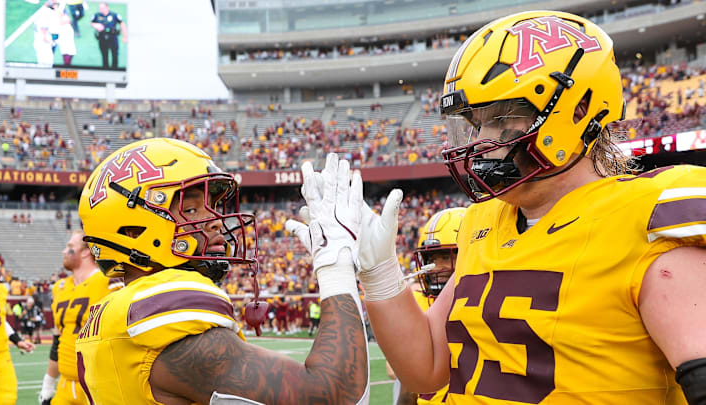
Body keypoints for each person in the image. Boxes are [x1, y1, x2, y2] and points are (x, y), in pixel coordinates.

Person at [335, 10, 705, 405]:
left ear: (579, 111)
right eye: (477, 123)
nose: (482, 140)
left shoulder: (645, 215)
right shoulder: (483, 220)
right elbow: (425, 367)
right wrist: (380, 276)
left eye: (503, 117)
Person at [74, 139, 368, 404]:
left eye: (213, 206)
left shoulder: (114, 310)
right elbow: (337, 395)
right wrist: (336, 263)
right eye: (190, 210)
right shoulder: (160, 307)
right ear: (131, 229)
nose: (216, 221)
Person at [38, 230, 123, 405]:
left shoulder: (108, 282)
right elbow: (57, 341)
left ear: (85, 251)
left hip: (97, 387)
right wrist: (48, 384)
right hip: (64, 386)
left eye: (70, 247)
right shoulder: (59, 288)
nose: (64, 251)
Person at [391, 207, 466, 405]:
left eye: (445, 256)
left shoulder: (481, 301)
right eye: (431, 258)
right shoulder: (418, 301)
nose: (435, 266)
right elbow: (403, 383)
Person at [0, 250, 35, 405]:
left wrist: (18, 341)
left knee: (8, 399)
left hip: (1, 355)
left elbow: (1, 320)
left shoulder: (1, 290)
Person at [90, 2, 127, 69]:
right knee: (104, 55)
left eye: (103, 8)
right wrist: (96, 25)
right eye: (100, 8)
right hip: (102, 38)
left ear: (107, 7)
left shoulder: (114, 15)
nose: (101, 9)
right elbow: (91, 23)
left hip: (112, 38)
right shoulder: (96, 15)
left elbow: (122, 24)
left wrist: (125, 36)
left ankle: (114, 69)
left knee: (115, 55)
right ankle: (105, 69)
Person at [33, 0, 61, 67]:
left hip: (42, 41)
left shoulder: (45, 12)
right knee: (47, 63)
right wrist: (47, 40)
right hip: (43, 43)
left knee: (43, 63)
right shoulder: (45, 13)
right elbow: (44, 28)